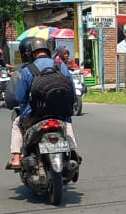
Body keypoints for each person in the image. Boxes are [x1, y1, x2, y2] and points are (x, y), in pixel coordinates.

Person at [8, 36, 78, 171]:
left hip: (36, 114)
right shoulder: (60, 66)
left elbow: (20, 97)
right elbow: (72, 91)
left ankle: (16, 158)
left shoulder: (29, 70)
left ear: (32, 53)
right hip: (60, 113)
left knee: (16, 124)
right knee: (67, 123)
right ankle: (73, 150)